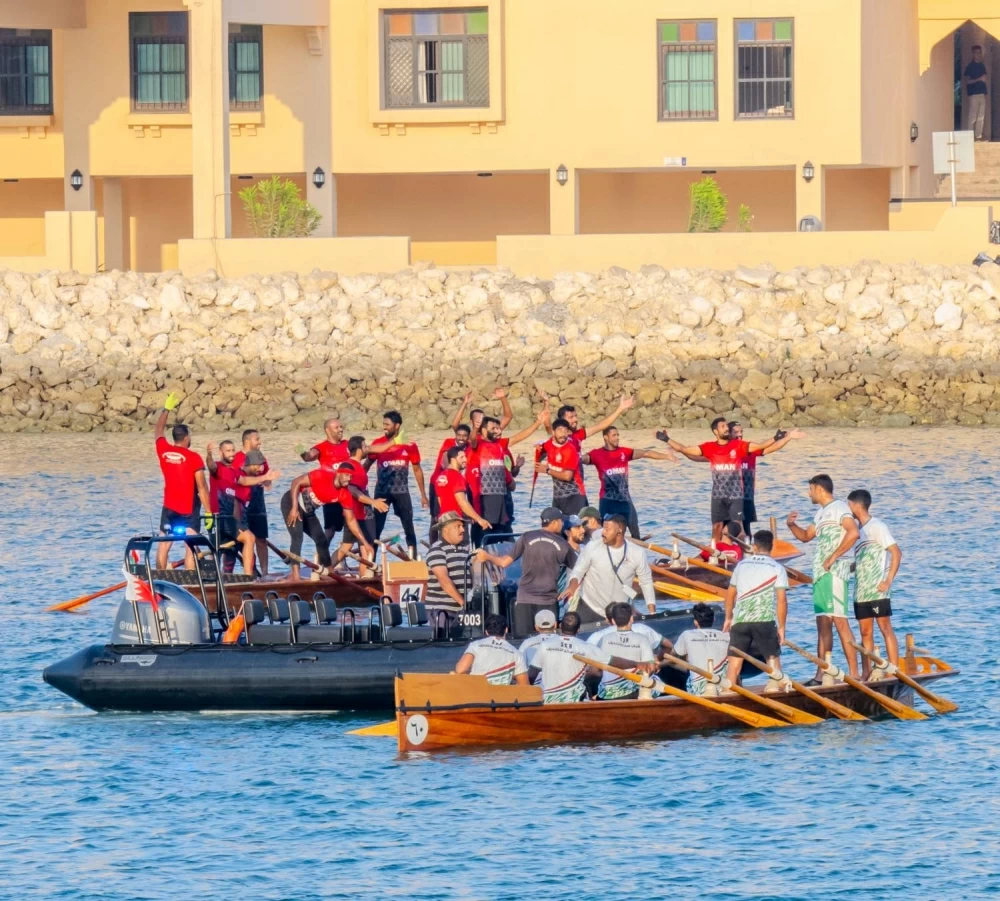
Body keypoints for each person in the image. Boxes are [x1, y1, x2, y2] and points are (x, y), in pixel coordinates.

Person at [787, 474, 860, 682]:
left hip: (835, 573)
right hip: (820, 576)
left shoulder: (840, 509)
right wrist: (791, 525)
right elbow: (806, 537)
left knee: (840, 622)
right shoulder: (820, 513)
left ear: (818, 489)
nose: (808, 494)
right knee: (822, 624)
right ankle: (821, 673)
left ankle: (854, 673)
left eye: (810, 489)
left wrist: (834, 557)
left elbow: (853, 532)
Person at [661, 417, 780, 544]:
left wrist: (776, 437)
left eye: (727, 426)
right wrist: (666, 439)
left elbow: (761, 446)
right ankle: (715, 553)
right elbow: (686, 450)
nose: (726, 428)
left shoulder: (738, 446)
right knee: (716, 527)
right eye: (723, 426)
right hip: (718, 495)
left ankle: (742, 553)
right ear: (715, 431)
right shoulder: (709, 448)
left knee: (738, 528)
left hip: (736, 495)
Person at [475, 507, 577, 635]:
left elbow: (504, 562)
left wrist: (487, 556)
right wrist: (572, 588)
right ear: (555, 522)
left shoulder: (526, 537)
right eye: (561, 521)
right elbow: (579, 568)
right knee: (548, 642)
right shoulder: (562, 544)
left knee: (523, 642)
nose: (562, 524)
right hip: (548, 601)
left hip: (524, 599)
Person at [282, 463, 384, 581]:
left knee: (322, 541)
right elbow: (296, 482)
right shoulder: (322, 476)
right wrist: (294, 508)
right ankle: (296, 576)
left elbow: (351, 521)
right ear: (338, 473)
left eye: (351, 477)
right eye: (346, 475)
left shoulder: (344, 494)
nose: (349, 479)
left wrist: (365, 543)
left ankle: (329, 573)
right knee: (297, 537)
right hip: (290, 504)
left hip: (308, 512)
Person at [560, 514, 656, 624]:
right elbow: (578, 571)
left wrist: (652, 615)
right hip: (590, 607)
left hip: (619, 611)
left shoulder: (637, 553)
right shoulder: (592, 547)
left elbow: (646, 582)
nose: (603, 532)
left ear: (619, 531)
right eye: (603, 528)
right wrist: (572, 587)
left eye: (607, 529)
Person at [583, 426, 677, 538]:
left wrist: (666, 456)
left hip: (625, 501)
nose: (617, 438)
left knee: (635, 532)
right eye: (614, 435)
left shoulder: (624, 452)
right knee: (605, 532)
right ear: (605, 437)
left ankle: (636, 549)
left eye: (618, 435)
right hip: (608, 501)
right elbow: (582, 459)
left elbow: (645, 453)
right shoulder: (597, 454)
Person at [722, 530, 788, 688]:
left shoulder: (741, 565)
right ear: (771, 546)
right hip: (764, 621)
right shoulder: (777, 568)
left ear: (754, 546)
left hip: (740, 621)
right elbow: (782, 601)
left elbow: (730, 595)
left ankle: (728, 694)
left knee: (734, 666)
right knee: (773, 666)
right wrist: (781, 627)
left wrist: (728, 618)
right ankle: (775, 692)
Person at [154, 393, 212, 571]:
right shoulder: (194, 458)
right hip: (188, 508)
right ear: (186, 438)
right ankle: (192, 584)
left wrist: (166, 409)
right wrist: (209, 511)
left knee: (164, 544)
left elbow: (158, 431)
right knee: (191, 546)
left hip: (169, 507)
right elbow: (202, 487)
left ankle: (158, 578)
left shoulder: (163, 450)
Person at [847, 489, 901, 676]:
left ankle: (894, 668)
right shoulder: (857, 531)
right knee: (865, 632)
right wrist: (846, 569)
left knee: (885, 627)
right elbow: (862, 559)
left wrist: (888, 581)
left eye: (849, 505)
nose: (848, 509)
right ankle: (867, 673)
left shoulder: (877, 526)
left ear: (856, 505)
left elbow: (896, 552)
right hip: (860, 591)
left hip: (878, 589)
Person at [468, 410, 545, 541]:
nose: (498, 431)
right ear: (484, 430)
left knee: (504, 532)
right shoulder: (478, 444)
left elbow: (519, 437)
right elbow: (472, 440)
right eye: (494, 428)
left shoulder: (500, 444)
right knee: (485, 534)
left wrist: (538, 423)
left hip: (501, 497)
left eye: (499, 428)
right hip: (484, 497)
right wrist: (475, 428)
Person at [543, 394, 634, 500]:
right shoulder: (557, 438)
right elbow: (547, 424)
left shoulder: (578, 435)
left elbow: (601, 426)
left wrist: (620, 409)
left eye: (576, 416)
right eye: (571, 417)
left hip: (577, 493)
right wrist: (546, 403)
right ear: (562, 420)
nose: (575, 419)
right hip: (559, 495)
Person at [368, 411, 428, 560]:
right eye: (384, 424)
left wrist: (423, 495)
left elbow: (417, 469)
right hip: (382, 493)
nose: (384, 427)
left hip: (402, 492)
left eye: (387, 425)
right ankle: (371, 563)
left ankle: (413, 560)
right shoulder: (378, 443)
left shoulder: (409, 444)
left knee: (409, 528)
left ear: (397, 426)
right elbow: (366, 465)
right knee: (376, 529)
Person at [728, 421, 804, 534]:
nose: (740, 434)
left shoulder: (748, 448)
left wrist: (788, 437)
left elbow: (769, 448)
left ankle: (747, 550)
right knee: (730, 530)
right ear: (728, 434)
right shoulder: (724, 450)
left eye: (741, 432)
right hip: (731, 499)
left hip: (747, 497)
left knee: (746, 530)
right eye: (736, 432)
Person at [206, 439, 266, 575]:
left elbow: (245, 480)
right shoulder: (217, 467)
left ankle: (232, 578)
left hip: (230, 518)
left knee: (229, 552)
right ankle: (247, 577)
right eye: (228, 451)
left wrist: (265, 477)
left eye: (233, 450)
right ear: (221, 453)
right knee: (248, 538)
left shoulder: (234, 471)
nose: (232, 453)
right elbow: (210, 466)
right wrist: (208, 455)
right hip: (219, 517)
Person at [527, 612, 613, 704]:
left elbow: (532, 675)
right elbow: (614, 662)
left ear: (560, 626)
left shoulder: (545, 645)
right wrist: (630, 663)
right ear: (578, 629)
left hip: (550, 702)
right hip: (576, 702)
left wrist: (527, 696)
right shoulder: (586, 647)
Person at [298, 418, 350, 542]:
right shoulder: (321, 447)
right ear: (328, 430)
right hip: (332, 494)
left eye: (341, 427)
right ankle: (322, 556)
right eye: (336, 427)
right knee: (330, 531)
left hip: (349, 492)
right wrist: (299, 448)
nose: (340, 429)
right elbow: (308, 457)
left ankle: (342, 560)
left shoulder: (348, 444)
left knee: (351, 526)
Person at [233, 429, 275, 576]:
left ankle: (264, 573)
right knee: (242, 540)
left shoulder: (261, 457)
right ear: (247, 441)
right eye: (257, 439)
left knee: (261, 540)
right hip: (241, 505)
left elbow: (267, 475)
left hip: (258, 503)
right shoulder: (237, 458)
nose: (260, 442)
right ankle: (249, 572)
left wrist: (268, 480)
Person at [594, 603, 657, 700]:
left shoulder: (604, 639)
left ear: (613, 621)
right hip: (632, 692)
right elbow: (651, 668)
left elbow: (595, 671)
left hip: (606, 695)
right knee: (656, 682)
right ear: (631, 619)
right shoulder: (642, 639)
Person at [672, 603, 731, 696]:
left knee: (681, 669)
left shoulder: (687, 635)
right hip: (724, 686)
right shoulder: (726, 636)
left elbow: (673, 655)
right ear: (714, 619)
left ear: (695, 622)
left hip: (699, 688)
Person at [454, 614, 529, 686]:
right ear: (506, 630)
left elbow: (460, 670)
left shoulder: (476, 645)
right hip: (501, 697)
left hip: (476, 694)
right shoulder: (516, 653)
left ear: (486, 631)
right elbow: (524, 686)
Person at [425, 511, 474, 618]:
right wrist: (463, 603)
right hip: (441, 610)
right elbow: (444, 580)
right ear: (445, 529)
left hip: (462, 611)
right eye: (458, 526)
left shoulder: (465, 550)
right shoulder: (437, 550)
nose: (463, 530)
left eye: (463, 526)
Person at [535, 417, 588, 516]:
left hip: (574, 496)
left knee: (575, 529)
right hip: (558, 497)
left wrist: (547, 470)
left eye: (565, 431)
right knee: (555, 528)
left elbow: (567, 476)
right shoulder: (549, 444)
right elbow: (542, 448)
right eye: (560, 430)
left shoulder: (570, 450)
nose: (563, 434)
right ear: (553, 432)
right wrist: (539, 448)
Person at [433, 446, 489, 531]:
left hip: (444, 521)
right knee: (462, 544)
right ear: (453, 459)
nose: (465, 460)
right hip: (456, 522)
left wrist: (468, 515)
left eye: (465, 456)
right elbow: (462, 502)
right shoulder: (457, 476)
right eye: (462, 457)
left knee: (446, 544)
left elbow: (441, 502)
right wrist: (479, 519)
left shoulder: (440, 477)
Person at [587, 601, 672, 656]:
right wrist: (658, 660)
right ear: (631, 618)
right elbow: (668, 645)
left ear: (609, 620)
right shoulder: (642, 629)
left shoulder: (595, 637)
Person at [428, 422, 471, 527]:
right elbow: (445, 462)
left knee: (457, 513)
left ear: (468, 437)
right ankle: (434, 543)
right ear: (455, 435)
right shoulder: (448, 442)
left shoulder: (469, 447)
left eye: (464, 436)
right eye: (459, 435)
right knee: (436, 518)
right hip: (439, 482)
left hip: (456, 483)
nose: (461, 438)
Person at [518, 609, 558, 679]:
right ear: (555, 625)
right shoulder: (565, 642)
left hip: (535, 687)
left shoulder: (527, 643)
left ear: (536, 627)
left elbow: (520, 669)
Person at [965, 45, 989, 141]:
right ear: (973, 54)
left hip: (982, 93)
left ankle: (978, 136)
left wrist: (985, 78)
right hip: (974, 94)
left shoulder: (982, 65)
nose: (978, 55)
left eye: (979, 53)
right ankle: (969, 136)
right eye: (976, 53)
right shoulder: (970, 67)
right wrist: (979, 79)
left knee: (981, 117)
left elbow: (985, 77)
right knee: (972, 117)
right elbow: (967, 81)